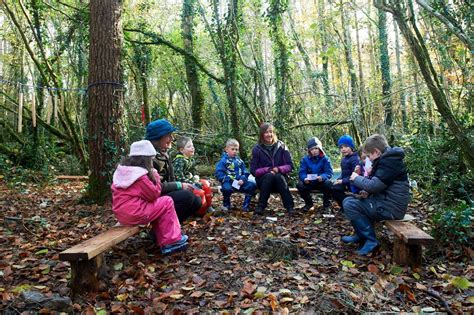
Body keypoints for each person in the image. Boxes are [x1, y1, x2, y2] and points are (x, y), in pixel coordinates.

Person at [111, 140, 188, 255]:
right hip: (136, 213)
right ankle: (171, 241)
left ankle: (163, 237)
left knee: (159, 206)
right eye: (151, 160)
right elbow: (154, 194)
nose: (152, 163)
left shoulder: (124, 172)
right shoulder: (140, 176)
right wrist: (155, 176)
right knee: (167, 201)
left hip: (122, 214)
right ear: (145, 160)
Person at [342, 134, 410, 256]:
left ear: (376, 152)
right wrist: (366, 192)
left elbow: (374, 185)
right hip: (385, 202)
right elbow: (381, 185)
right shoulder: (388, 159)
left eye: (368, 156)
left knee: (351, 205)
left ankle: (371, 241)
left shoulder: (389, 162)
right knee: (348, 201)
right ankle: (361, 235)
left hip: (392, 209)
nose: (369, 160)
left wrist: (356, 178)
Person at [145, 119, 201, 222]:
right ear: (158, 138)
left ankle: (172, 227)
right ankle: (160, 231)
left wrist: (185, 185)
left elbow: (171, 178)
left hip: (163, 194)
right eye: (169, 136)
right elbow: (151, 188)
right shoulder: (148, 157)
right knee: (187, 197)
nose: (172, 138)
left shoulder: (165, 154)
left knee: (197, 201)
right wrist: (179, 185)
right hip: (151, 200)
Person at [250, 123, 294, 215]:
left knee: (278, 177)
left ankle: (290, 207)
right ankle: (260, 207)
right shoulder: (257, 149)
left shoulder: (282, 146)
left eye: (271, 132)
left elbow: (290, 165)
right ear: (262, 134)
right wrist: (268, 170)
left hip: (280, 179)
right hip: (263, 180)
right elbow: (253, 170)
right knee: (269, 176)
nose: (269, 134)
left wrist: (278, 169)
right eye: (266, 132)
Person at [172, 136, 214, 215]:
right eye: (189, 147)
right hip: (184, 185)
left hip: (192, 181)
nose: (192, 148)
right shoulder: (179, 161)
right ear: (181, 150)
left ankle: (209, 206)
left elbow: (194, 173)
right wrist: (194, 182)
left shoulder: (190, 159)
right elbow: (179, 178)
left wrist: (198, 179)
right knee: (200, 192)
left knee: (206, 183)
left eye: (192, 146)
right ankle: (201, 211)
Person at [215, 139, 257, 211]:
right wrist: (228, 179)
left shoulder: (239, 161)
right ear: (226, 149)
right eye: (232, 149)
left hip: (239, 182)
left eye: (236, 149)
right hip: (228, 181)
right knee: (226, 189)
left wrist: (242, 179)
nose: (235, 151)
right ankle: (226, 205)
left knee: (251, 186)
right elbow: (219, 173)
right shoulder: (223, 161)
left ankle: (245, 206)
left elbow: (245, 172)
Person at [296, 137, 334, 211]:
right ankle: (309, 204)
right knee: (300, 185)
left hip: (321, 182)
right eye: (312, 149)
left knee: (328, 184)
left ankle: (326, 205)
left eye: (316, 148)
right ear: (309, 150)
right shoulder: (305, 159)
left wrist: (322, 177)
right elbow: (302, 172)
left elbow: (329, 172)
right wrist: (304, 178)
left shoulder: (325, 159)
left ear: (320, 148)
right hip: (309, 182)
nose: (314, 151)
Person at [331, 135, 361, 211]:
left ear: (351, 147)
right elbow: (344, 173)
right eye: (341, 147)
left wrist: (343, 181)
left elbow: (356, 175)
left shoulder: (355, 159)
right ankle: (343, 206)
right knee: (333, 187)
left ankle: (349, 206)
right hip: (346, 182)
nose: (343, 149)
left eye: (346, 146)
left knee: (336, 189)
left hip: (354, 184)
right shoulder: (344, 159)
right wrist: (339, 179)